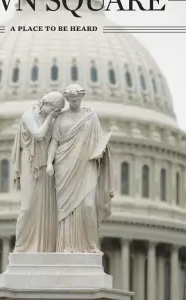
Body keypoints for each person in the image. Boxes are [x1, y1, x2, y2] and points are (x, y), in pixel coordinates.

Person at [47, 84, 114, 253]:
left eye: (77, 100)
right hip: (64, 166)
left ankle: (91, 245)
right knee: (65, 210)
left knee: (88, 206)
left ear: (81, 98)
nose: (75, 103)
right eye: (72, 100)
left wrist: (102, 150)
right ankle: (66, 245)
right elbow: (54, 141)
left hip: (87, 165)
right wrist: (49, 163)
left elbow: (100, 140)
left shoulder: (91, 117)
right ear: (68, 100)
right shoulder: (61, 118)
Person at [11, 91, 65, 253]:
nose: (55, 113)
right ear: (46, 104)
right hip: (30, 162)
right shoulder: (28, 115)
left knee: (46, 208)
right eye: (54, 109)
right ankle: (21, 247)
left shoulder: (53, 121)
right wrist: (50, 119)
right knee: (27, 207)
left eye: (58, 111)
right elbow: (38, 135)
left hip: (46, 167)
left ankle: (44, 247)